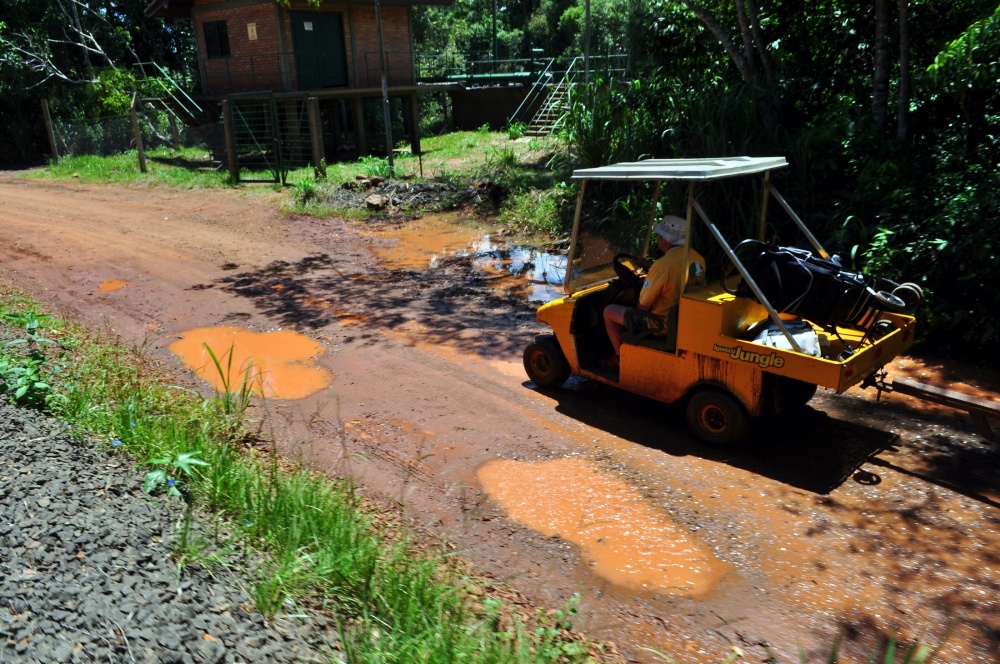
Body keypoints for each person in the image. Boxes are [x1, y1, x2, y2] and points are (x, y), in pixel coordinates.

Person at [601, 215, 706, 370]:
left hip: (660, 325)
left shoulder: (662, 266)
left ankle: (619, 358)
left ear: (666, 239)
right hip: (683, 320)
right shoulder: (697, 258)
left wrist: (633, 316)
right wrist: (648, 265)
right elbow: (675, 274)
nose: (657, 238)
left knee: (609, 312)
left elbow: (643, 305)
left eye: (659, 235)